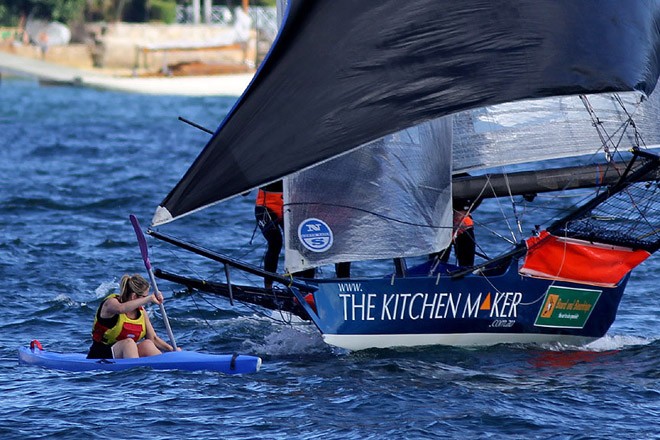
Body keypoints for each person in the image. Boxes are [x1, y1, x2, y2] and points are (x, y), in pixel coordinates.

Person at [87, 274, 177, 359]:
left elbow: (153, 338)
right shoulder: (111, 303)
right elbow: (121, 309)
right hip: (100, 355)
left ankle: (165, 369)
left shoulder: (141, 312)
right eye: (144, 297)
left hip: (124, 355)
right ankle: (134, 372)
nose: (146, 301)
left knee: (148, 344)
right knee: (129, 343)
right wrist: (149, 298)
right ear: (134, 296)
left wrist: (172, 350)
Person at [432, 198, 477, 267]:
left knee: (467, 266)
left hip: (463, 224)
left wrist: (463, 210)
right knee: (435, 266)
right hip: (441, 221)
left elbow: (480, 192)